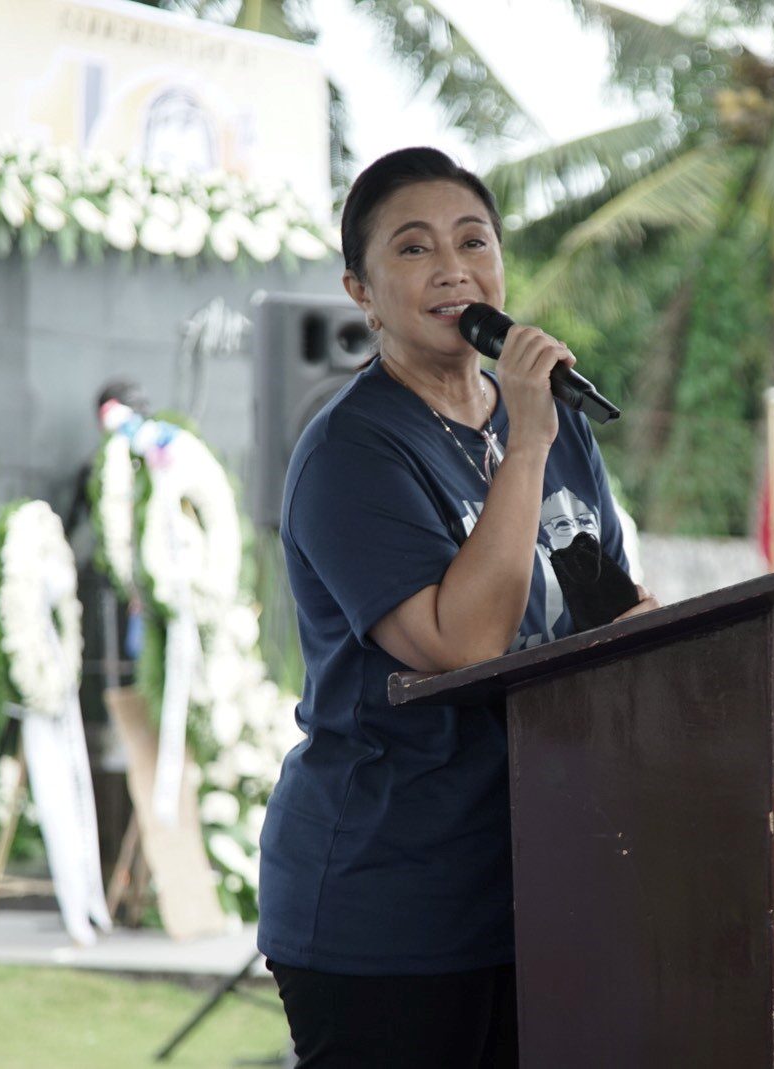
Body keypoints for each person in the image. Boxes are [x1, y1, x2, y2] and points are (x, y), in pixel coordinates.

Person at [256, 147, 658, 1067]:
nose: (453, 268)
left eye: (473, 241)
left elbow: (606, 608)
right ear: (361, 289)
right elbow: (466, 642)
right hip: (389, 899)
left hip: (534, 884)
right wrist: (524, 446)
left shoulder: (547, 421)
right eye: (414, 249)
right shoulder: (350, 454)